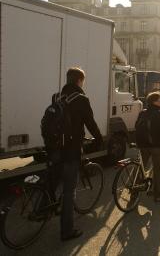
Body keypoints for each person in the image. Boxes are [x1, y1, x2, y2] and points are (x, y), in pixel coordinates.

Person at [53, 67, 103, 241]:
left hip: (54, 147)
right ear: (80, 81)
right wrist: (99, 139)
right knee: (69, 191)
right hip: (71, 150)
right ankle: (67, 231)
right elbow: (90, 122)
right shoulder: (80, 99)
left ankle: (40, 210)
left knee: (50, 182)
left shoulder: (57, 97)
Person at [135, 92, 160, 202]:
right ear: (154, 102)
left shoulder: (142, 113)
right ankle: (158, 194)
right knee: (158, 169)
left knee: (141, 168)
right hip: (155, 145)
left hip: (142, 144)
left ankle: (134, 191)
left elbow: (136, 125)